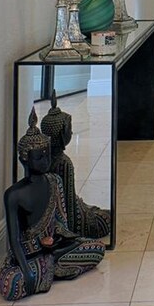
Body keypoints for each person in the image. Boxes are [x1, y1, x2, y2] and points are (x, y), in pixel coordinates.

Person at [0, 108, 105, 301]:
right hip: (28, 254)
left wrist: (55, 241)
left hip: (53, 250)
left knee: (96, 248)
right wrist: (27, 264)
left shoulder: (54, 181)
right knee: (12, 283)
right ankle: (51, 270)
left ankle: (47, 269)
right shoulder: (13, 195)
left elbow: (61, 224)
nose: (46, 161)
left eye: (47, 155)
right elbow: (14, 241)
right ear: (24, 158)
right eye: (39, 157)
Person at [41, 91, 111, 239]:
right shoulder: (63, 163)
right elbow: (69, 207)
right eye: (69, 130)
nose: (72, 132)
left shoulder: (43, 159)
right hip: (70, 221)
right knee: (106, 217)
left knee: (98, 211)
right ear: (62, 134)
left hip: (55, 217)